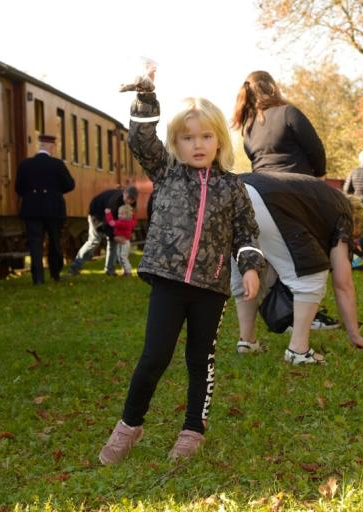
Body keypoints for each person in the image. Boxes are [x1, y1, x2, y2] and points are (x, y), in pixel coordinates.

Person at [99, 93, 264, 465]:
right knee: (153, 357)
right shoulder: (167, 171)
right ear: (176, 144)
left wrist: (250, 265)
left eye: (205, 136)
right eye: (188, 138)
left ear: (219, 139)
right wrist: (145, 97)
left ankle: (193, 430)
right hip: (168, 282)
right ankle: (129, 425)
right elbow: (140, 140)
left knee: (199, 359)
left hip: (211, 288)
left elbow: (246, 233)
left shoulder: (232, 187)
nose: (198, 145)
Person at [231, 172, 363, 365]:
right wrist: (354, 334)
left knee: (249, 270)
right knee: (312, 272)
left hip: (234, 189)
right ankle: (298, 350)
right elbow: (343, 283)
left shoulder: (319, 199)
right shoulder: (344, 214)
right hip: (264, 200)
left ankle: (247, 341)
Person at [231, 70, 326, 176]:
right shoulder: (288, 113)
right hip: (296, 183)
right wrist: (319, 173)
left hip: (262, 186)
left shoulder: (248, 127)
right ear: (272, 88)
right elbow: (316, 149)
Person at [14, 134, 75, 284]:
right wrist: (55, 192)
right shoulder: (57, 164)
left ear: (39, 146)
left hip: (31, 210)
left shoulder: (25, 164)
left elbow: (18, 188)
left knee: (35, 243)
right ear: (52, 147)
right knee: (54, 241)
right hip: (53, 209)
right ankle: (55, 274)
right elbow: (70, 185)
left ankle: (38, 278)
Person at [68, 186, 138, 276]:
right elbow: (107, 222)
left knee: (113, 242)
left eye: (132, 200)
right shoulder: (115, 202)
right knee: (94, 241)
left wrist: (123, 233)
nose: (129, 201)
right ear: (124, 193)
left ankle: (110, 270)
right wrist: (114, 236)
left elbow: (129, 219)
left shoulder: (132, 204)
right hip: (97, 213)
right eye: (128, 198)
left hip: (111, 218)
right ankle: (75, 267)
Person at [104, 203, 137, 276]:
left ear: (128, 215)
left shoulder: (123, 222)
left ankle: (128, 271)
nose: (119, 215)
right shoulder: (131, 222)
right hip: (122, 242)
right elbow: (135, 221)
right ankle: (125, 270)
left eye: (122, 214)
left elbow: (112, 223)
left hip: (124, 242)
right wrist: (133, 214)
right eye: (119, 214)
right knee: (120, 256)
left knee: (122, 256)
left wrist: (108, 213)